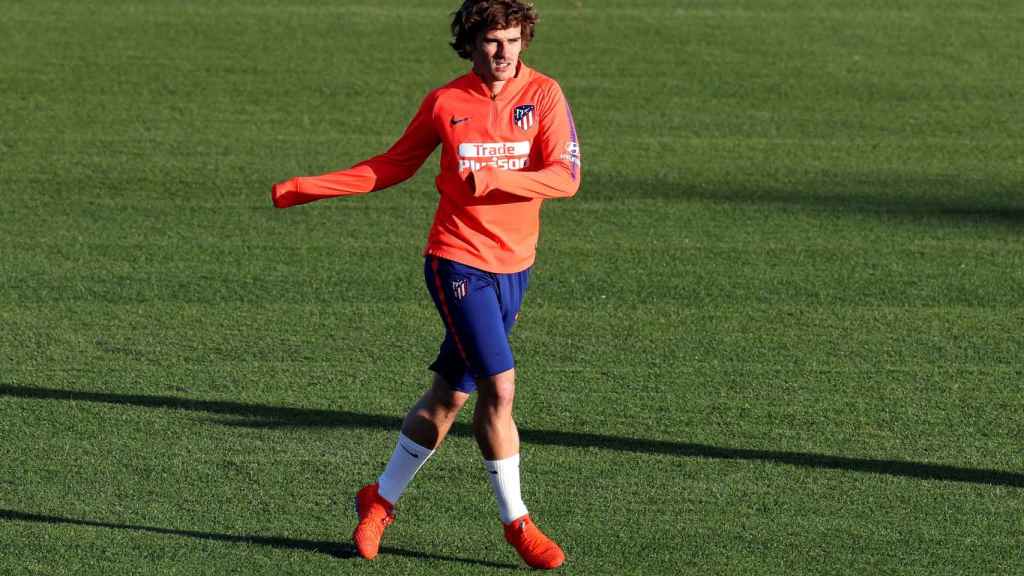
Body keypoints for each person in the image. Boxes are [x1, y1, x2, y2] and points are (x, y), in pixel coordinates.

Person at [271, 0, 580, 569]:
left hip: (515, 267)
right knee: (501, 388)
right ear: (471, 44)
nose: (504, 52)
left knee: (448, 397)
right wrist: (314, 187)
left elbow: (565, 177)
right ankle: (517, 522)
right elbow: (395, 164)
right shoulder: (446, 102)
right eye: (492, 41)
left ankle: (378, 500)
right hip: (456, 261)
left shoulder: (545, 97)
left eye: (513, 40)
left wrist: (493, 176)